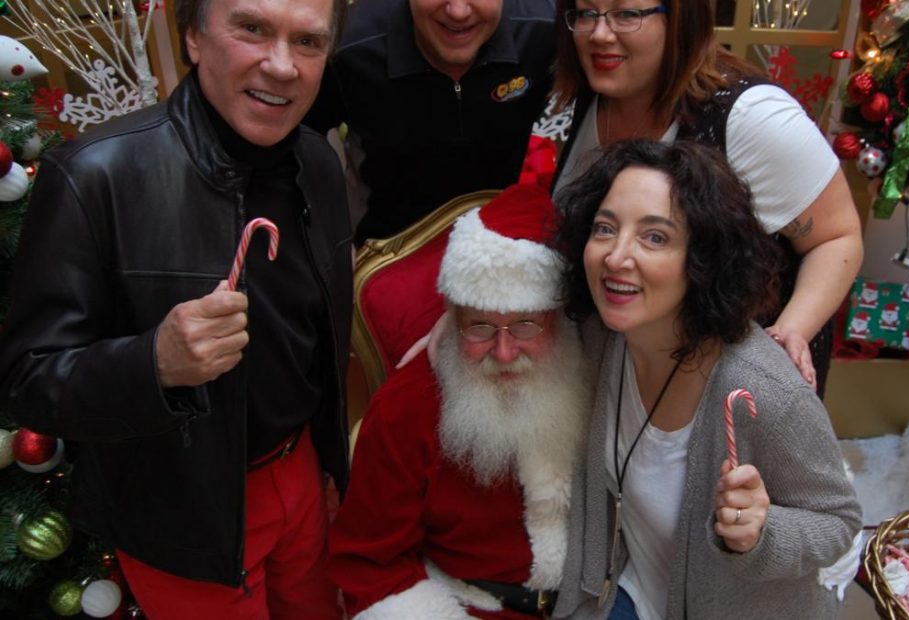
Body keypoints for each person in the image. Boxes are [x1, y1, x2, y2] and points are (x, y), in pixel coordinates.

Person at [0, 0, 352, 617]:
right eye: (252, 29)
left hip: (300, 474)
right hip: (183, 514)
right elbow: (26, 383)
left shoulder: (318, 163)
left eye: (308, 42)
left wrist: (325, 464)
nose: (282, 66)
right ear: (193, 35)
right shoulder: (95, 177)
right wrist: (153, 364)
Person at [550, 140, 861, 619]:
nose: (615, 256)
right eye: (605, 228)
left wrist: (762, 533)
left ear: (703, 260)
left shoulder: (762, 390)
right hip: (627, 590)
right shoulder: (602, 337)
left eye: (655, 237)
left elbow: (839, 521)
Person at [550, 0, 864, 395]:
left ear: (681, 19)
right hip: (626, 381)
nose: (599, 34)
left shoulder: (751, 116)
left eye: (627, 14)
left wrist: (789, 333)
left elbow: (837, 236)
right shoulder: (591, 93)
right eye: (586, 12)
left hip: (728, 391)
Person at [327, 183, 592, 619]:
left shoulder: (598, 371)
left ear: (558, 319)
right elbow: (368, 566)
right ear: (452, 318)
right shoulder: (406, 406)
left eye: (526, 324)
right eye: (479, 326)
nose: (503, 352)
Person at [307, 0, 557, 244]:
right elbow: (297, 148)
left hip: (504, 236)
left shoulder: (548, 30)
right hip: (385, 244)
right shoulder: (346, 50)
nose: (458, 12)